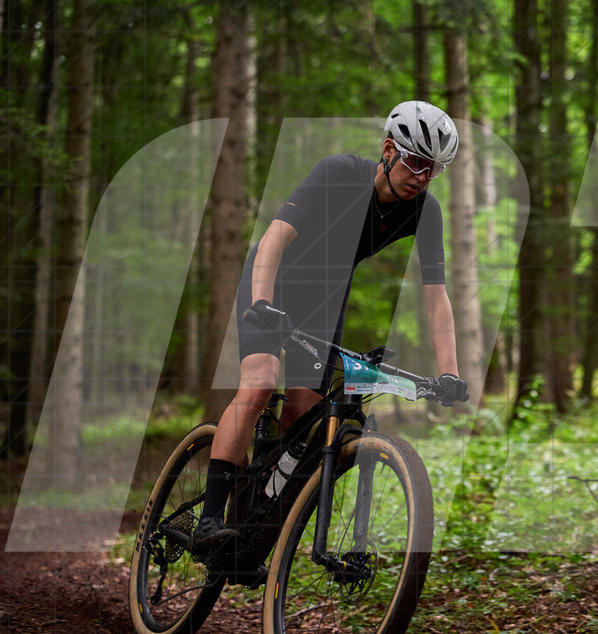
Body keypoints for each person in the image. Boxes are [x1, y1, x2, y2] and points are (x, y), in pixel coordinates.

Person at [192, 101, 470, 549]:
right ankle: (207, 521)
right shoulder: (338, 172)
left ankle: (257, 514)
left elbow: (436, 296)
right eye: (417, 161)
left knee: (304, 418)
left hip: (324, 300)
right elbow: (275, 237)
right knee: (260, 382)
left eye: (434, 169)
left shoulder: (425, 211)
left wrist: (450, 373)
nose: (422, 176)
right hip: (275, 278)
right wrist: (262, 303)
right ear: (388, 150)